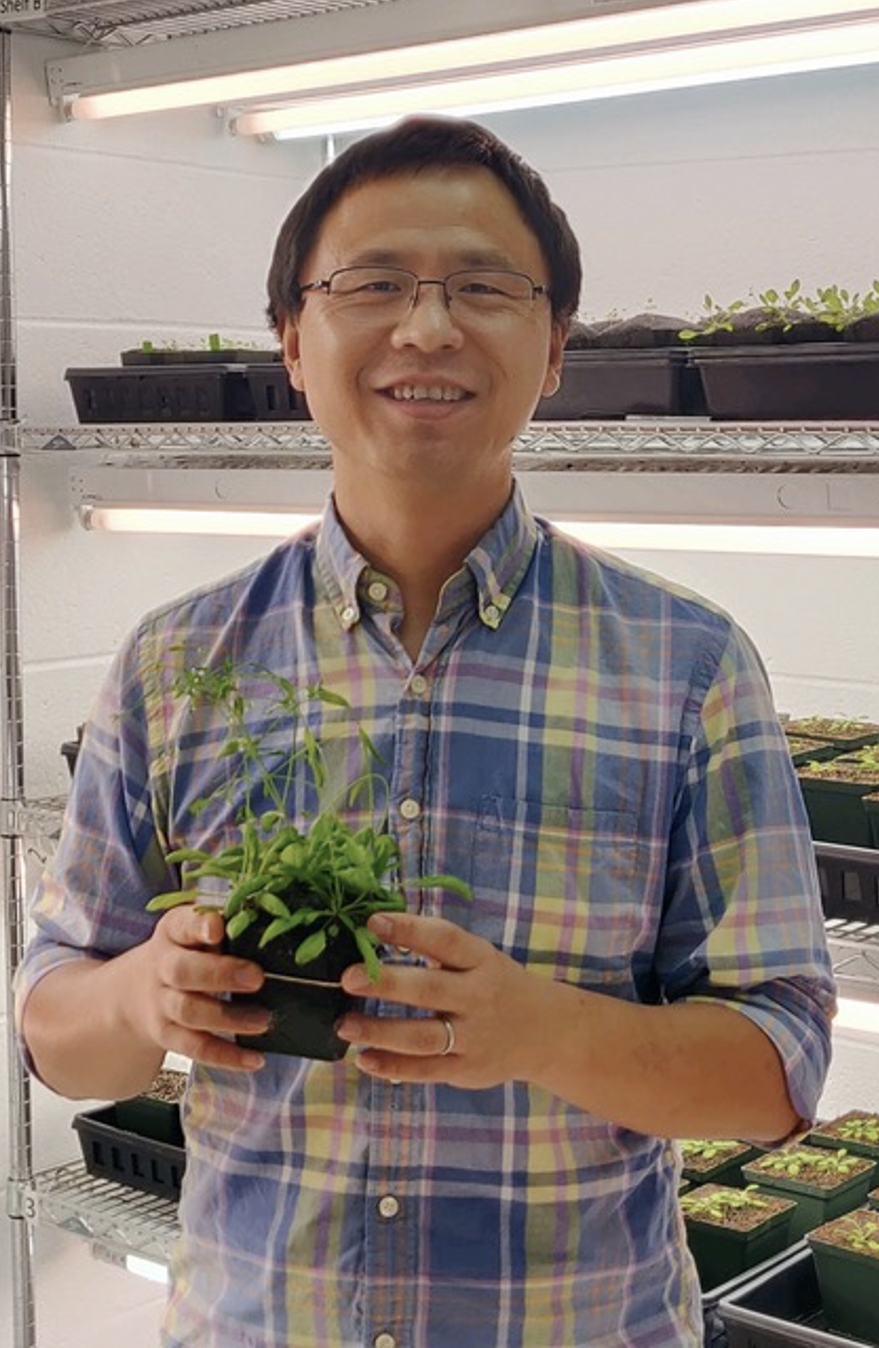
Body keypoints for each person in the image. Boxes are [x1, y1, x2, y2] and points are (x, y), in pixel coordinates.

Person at [16, 116, 835, 1348]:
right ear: (293, 341)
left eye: (483, 288)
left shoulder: (686, 666)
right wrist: (146, 996)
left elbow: (778, 1070)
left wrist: (540, 1029)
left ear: (555, 346)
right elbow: (56, 1030)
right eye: (376, 284)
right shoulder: (177, 663)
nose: (429, 327)